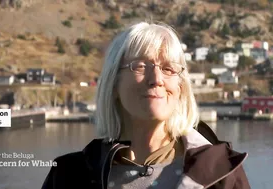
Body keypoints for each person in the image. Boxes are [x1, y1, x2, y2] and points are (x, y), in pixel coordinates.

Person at [42, 22, 250, 189]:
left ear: (181, 88)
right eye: (140, 66)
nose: (157, 79)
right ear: (114, 84)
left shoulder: (223, 175)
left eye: (168, 68)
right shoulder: (69, 176)